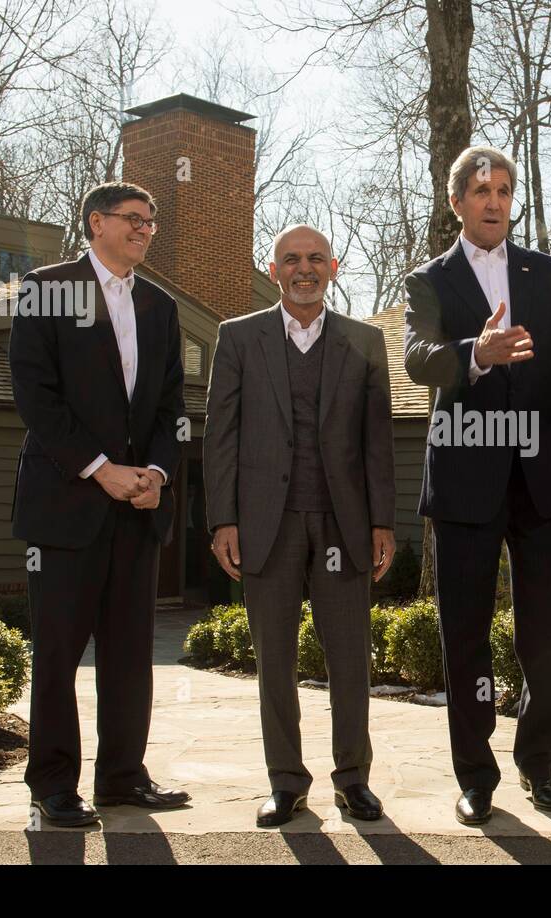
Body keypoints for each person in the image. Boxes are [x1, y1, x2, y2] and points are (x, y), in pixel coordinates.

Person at [403, 145, 551, 826]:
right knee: (466, 635)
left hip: (539, 477)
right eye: (481, 190)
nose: (494, 201)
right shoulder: (429, 279)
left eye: (504, 190)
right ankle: (476, 777)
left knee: (547, 637)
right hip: (464, 479)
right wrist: (474, 353)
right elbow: (419, 357)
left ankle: (539, 765)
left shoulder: (545, 271)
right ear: (457, 201)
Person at [9, 181, 188, 827]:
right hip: (65, 504)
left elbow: (171, 406)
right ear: (96, 223)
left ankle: (121, 775)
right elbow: (35, 394)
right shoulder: (46, 287)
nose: (145, 230)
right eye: (133, 220)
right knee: (57, 652)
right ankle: (53, 783)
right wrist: (100, 469)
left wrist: (157, 472)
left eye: (151, 221)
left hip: (138, 510)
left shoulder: (160, 307)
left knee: (129, 650)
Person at [205, 224, 396, 828]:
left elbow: (377, 440)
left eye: (316, 259)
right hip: (267, 525)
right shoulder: (237, 338)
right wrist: (223, 520)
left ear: (334, 267)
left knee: (349, 659)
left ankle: (353, 779)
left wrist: (382, 522)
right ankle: (286, 782)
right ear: (273, 269)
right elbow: (221, 436)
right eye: (292, 260)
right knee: (275, 663)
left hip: (344, 524)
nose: (304, 269)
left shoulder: (364, 341)